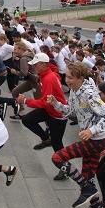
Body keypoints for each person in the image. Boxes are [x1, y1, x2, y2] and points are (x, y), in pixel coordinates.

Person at [48, 62, 105, 208]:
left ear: (80, 78)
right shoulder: (74, 90)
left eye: (70, 77)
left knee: (57, 158)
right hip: (91, 140)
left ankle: (86, 188)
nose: (67, 80)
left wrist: (91, 130)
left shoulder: (90, 94)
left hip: (97, 141)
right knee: (88, 178)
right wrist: (55, 104)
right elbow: (70, 111)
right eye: (66, 76)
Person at [16, 52, 68, 180]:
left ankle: (65, 169)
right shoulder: (45, 75)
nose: (33, 67)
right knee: (27, 120)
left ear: (43, 65)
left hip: (57, 115)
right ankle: (46, 138)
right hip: (50, 110)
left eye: (35, 65)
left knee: (58, 145)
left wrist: (26, 101)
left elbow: (45, 102)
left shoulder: (48, 78)